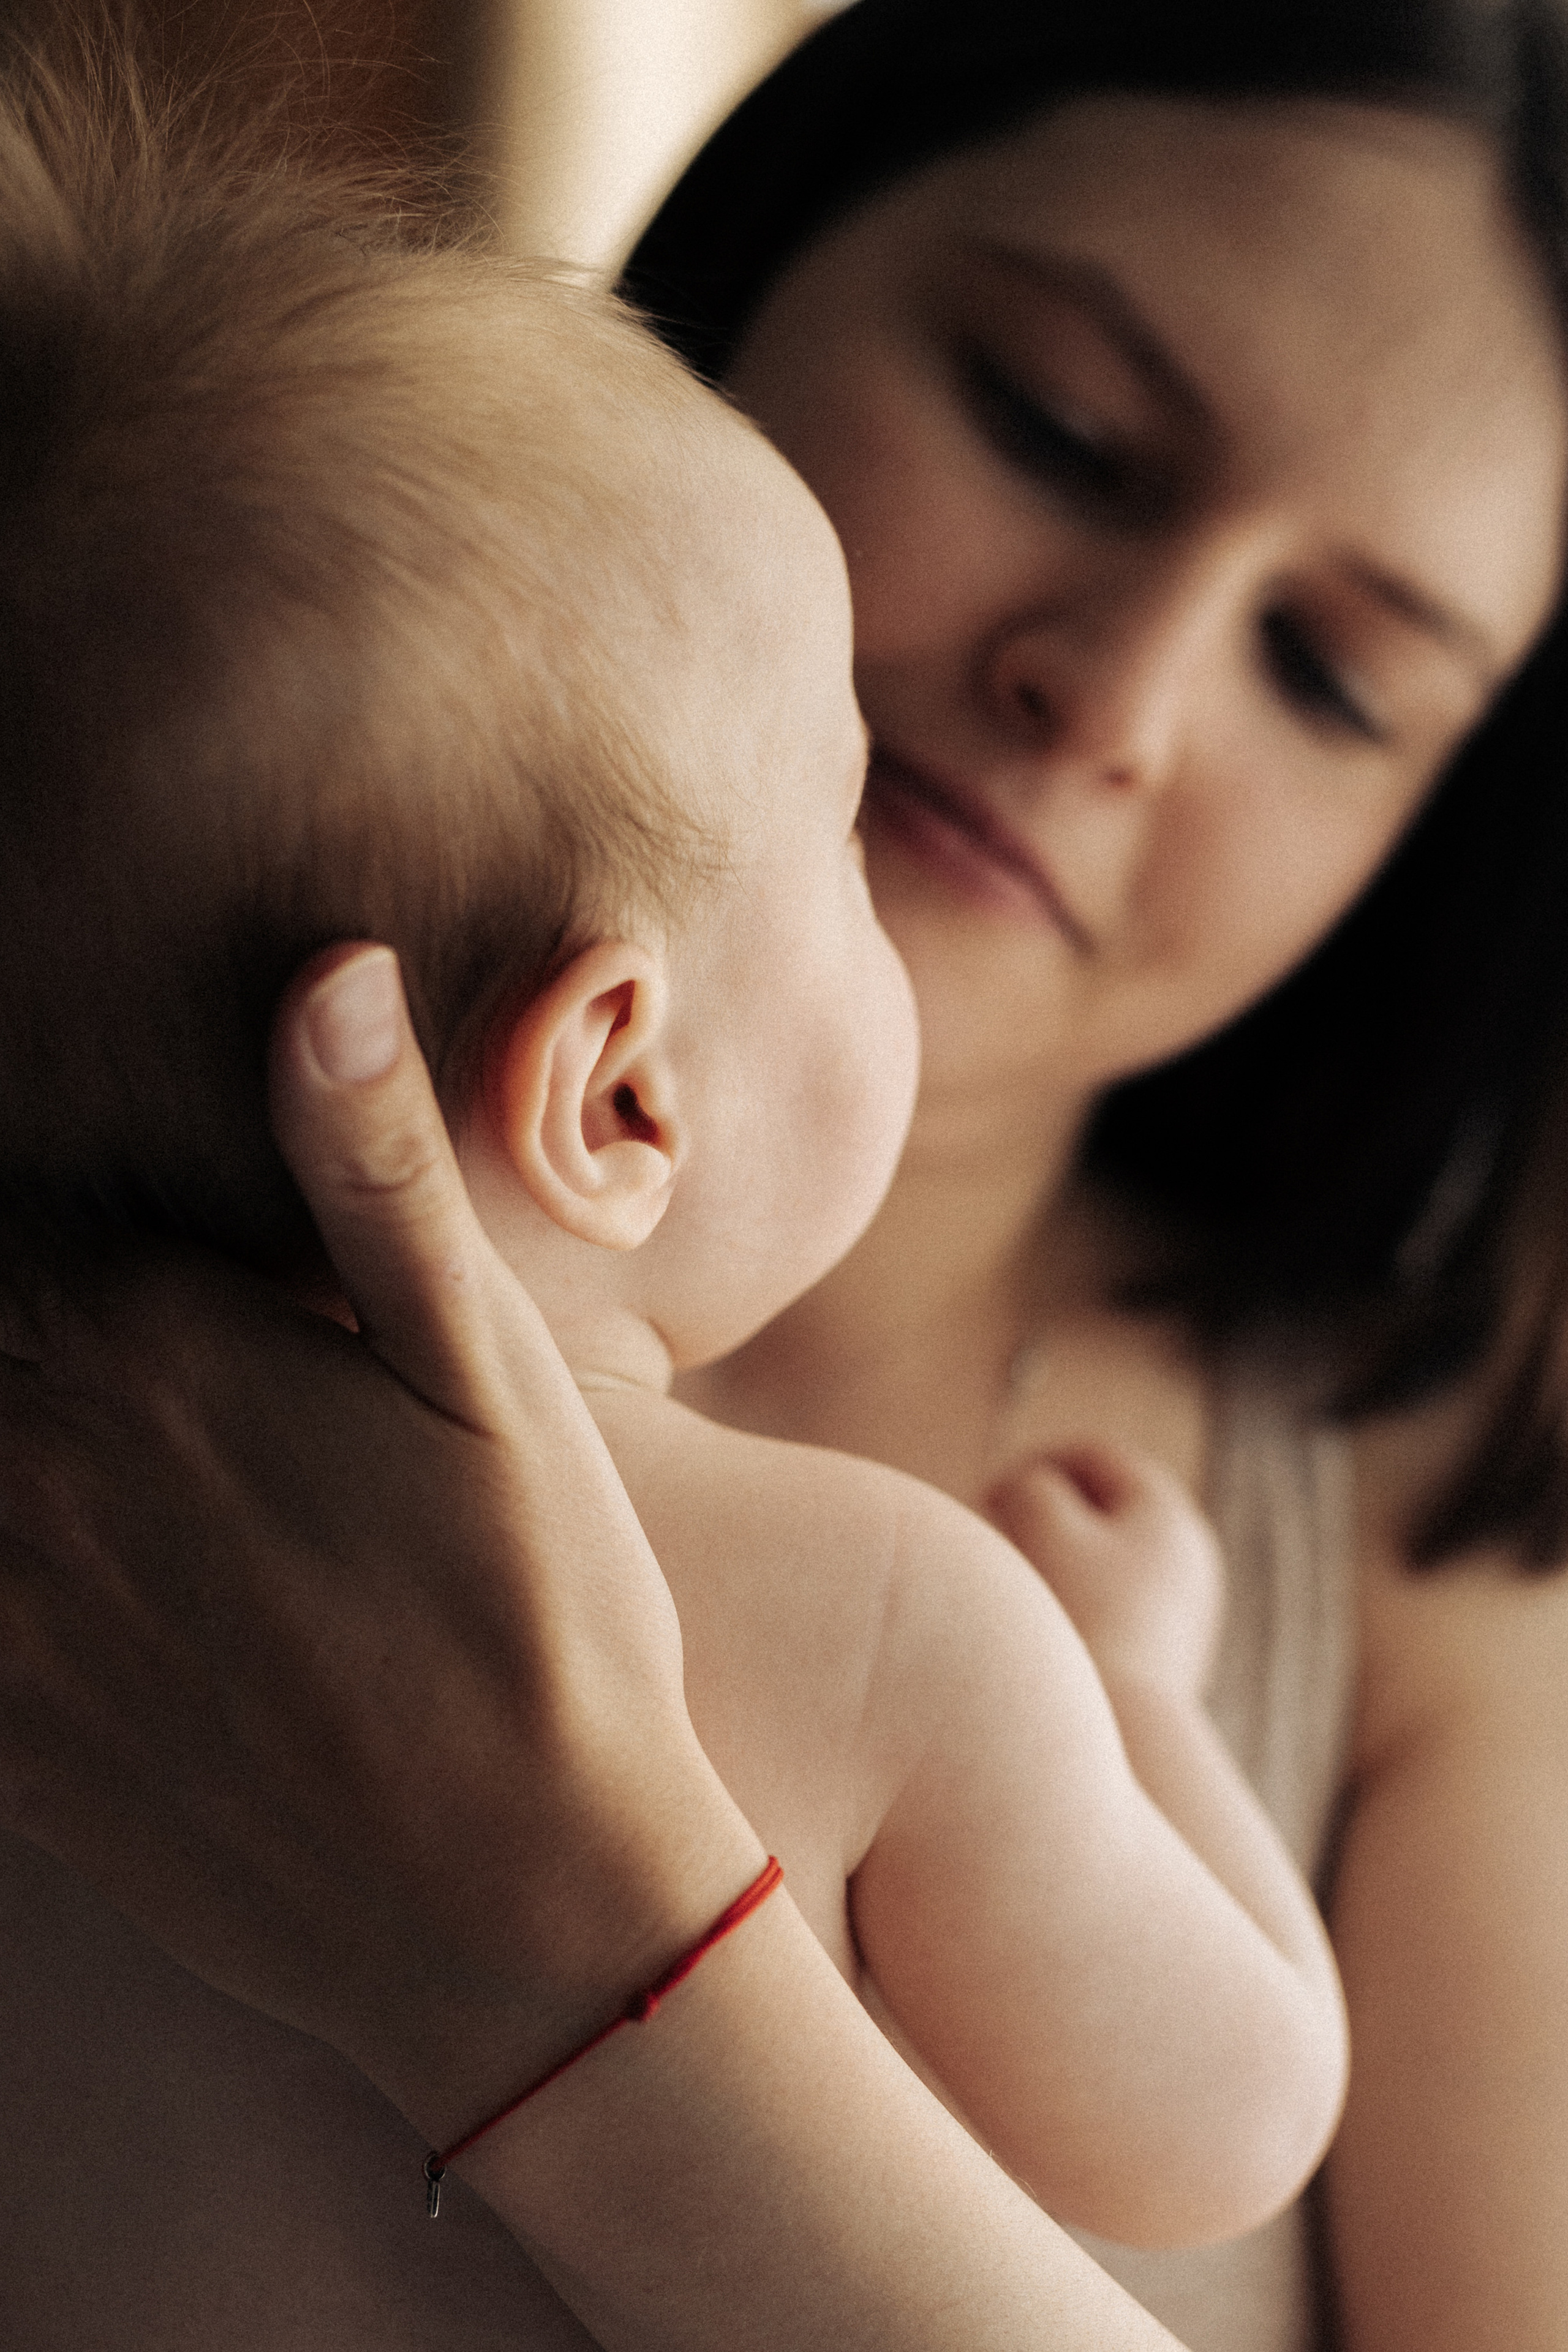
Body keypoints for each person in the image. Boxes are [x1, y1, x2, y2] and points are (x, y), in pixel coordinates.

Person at [4, 2, 1568, 2348]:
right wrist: (1134, 1697)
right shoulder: (908, 1620)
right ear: (617, 1092)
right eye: (1060, 425)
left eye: (1334, 677)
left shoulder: (61, 1521)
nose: (1114, 698)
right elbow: (1238, 2108)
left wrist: (578, 1962)